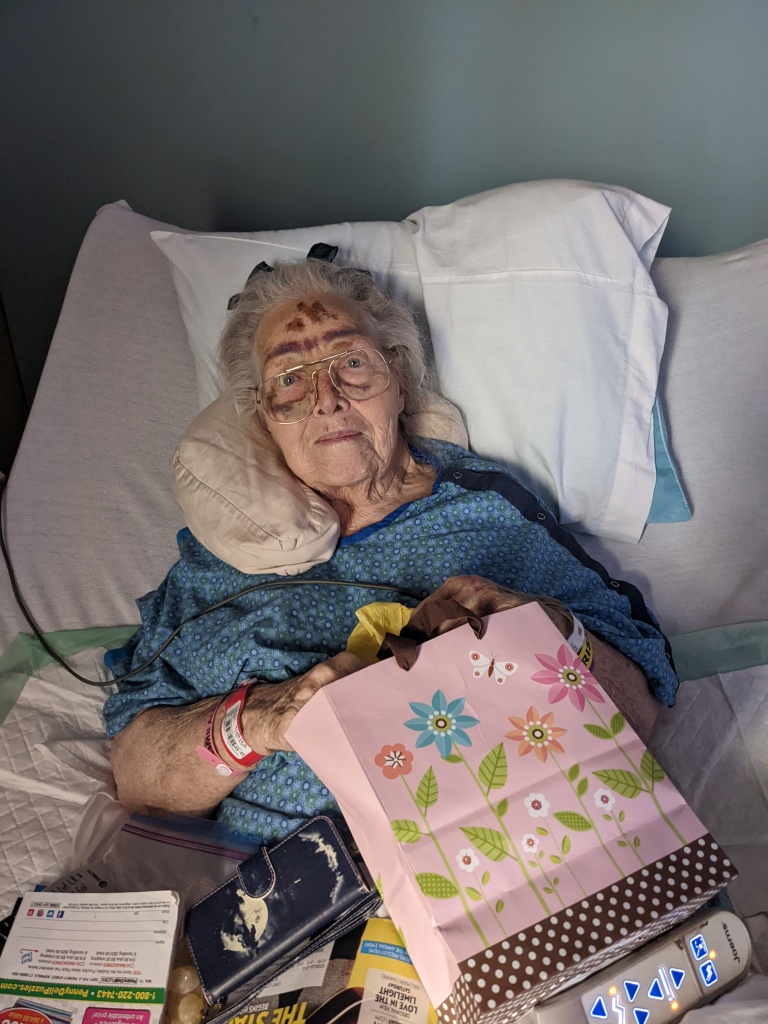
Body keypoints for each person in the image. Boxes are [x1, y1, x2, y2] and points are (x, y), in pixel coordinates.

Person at [103, 258, 678, 844]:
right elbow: (136, 780)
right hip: (286, 884)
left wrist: (545, 633)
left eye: (352, 363)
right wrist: (263, 720)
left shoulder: (486, 511)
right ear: (263, 415)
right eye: (290, 378)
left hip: (504, 853)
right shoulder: (222, 555)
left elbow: (639, 710)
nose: (326, 399)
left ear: (399, 380)